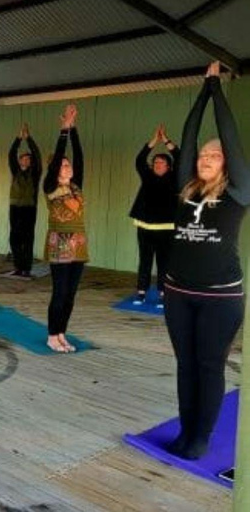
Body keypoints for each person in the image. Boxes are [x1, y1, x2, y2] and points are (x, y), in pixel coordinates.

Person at [164, 61, 250, 460]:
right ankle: (185, 431)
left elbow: (229, 138)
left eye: (213, 155)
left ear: (228, 163)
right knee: (186, 366)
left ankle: (201, 436)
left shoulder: (239, 193)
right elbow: (188, 134)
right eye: (202, 154)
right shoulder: (186, 189)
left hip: (220, 298)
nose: (205, 157)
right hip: (178, 292)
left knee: (209, 366)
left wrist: (217, 89)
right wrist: (201, 90)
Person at [43, 104, 86, 354]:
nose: (67, 167)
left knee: (70, 294)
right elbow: (60, 157)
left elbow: (79, 156)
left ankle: (61, 333)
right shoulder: (50, 186)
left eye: (69, 165)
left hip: (79, 242)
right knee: (59, 292)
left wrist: (74, 129)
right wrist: (63, 132)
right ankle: (51, 335)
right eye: (63, 165)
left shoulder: (76, 185)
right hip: (59, 241)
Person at [130, 124, 179, 307]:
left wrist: (166, 140)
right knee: (145, 260)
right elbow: (139, 160)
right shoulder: (148, 175)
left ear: (168, 166)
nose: (157, 165)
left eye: (161, 163)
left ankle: (163, 293)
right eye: (155, 162)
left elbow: (180, 157)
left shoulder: (174, 178)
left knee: (163, 261)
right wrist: (153, 141)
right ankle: (141, 292)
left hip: (166, 227)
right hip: (145, 226)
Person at [7, 123, 42, 277]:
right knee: (14, 238)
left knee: (28, 238)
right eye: (24, 158)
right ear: (20, 160)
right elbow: (11, 154)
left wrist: (28, 138)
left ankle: (26, 268)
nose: (27, 160)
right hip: (15, 207)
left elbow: (37, 154)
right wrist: (18, 138)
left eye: (29, 159)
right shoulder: (15, 171)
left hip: (29, 208)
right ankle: (18, 267)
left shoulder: (35, 173)